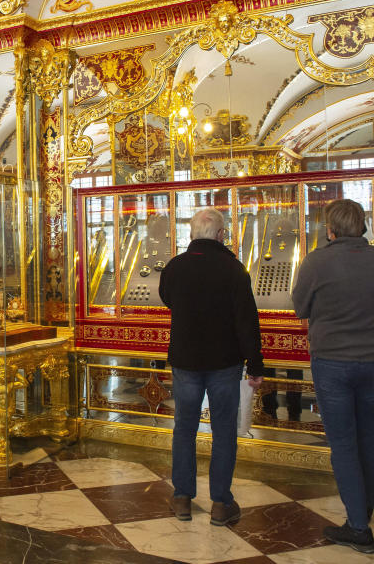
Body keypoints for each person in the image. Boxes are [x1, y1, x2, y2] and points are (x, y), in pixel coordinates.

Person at [292, 199, 374, 554]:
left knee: (343, 442)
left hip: (333, 359)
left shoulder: (318, 260)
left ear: (329, 229)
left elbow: (300, 306)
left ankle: (358, 526)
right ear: (362, 225)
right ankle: (364, 502)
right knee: (368, 435)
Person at [157, 207, 264, 526]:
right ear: (221, 235)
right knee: (223, 431)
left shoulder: (175, 267)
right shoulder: (233, 269)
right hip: (224, 363)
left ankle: (182, 498)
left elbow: (167, 298)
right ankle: (221, 503)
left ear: (192, 234)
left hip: (186, 362)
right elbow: (247, 321)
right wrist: (255, 364)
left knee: (184, 428)